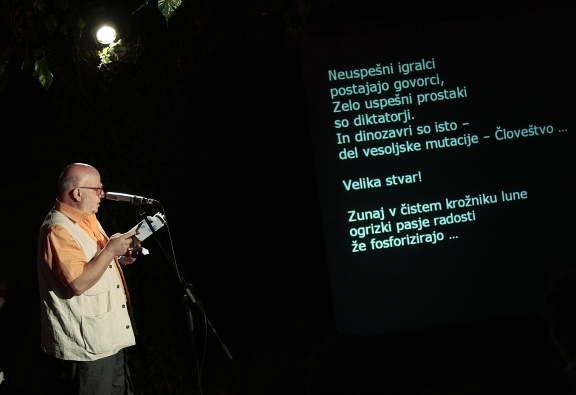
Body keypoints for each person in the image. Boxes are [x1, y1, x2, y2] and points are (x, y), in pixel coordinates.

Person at [37, 163, 140, 395]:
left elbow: (92, 263)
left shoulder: (87, 218)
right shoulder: (58, 230)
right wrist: (110, 252)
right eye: (98, 189)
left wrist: (117, 257)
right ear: (77, 192)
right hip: (87, 347)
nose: (102, 194)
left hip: (107, 337)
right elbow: (78, 283)